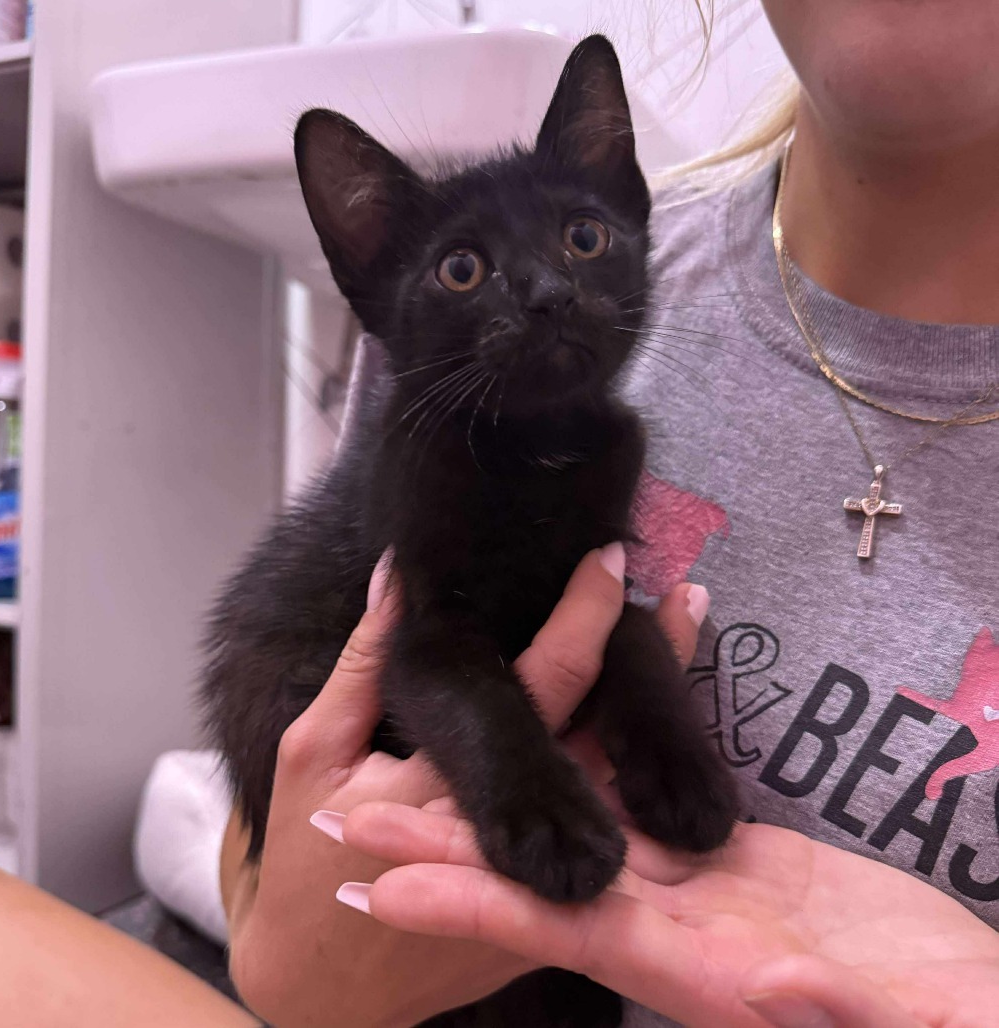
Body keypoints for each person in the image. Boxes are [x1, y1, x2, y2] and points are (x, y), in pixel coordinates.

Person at [223, 0, 999, 1025]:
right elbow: (282, 814)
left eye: (582, 237)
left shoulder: (580, 411)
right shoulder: (439, 399)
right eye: (463, 268)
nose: (544, 288)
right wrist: (296, 969)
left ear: (618, 208)